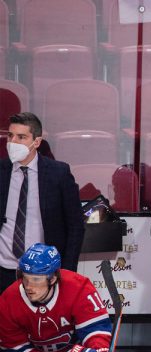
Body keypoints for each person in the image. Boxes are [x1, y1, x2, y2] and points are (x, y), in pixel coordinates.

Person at [0, 243, 125, 352]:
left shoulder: (78, 288)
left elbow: (95, 330)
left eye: (36, 279)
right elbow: (16, 350)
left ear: (53, 278)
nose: (28, 286)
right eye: (25, 278)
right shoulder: (8, 300)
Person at [0, 112, 84, 292]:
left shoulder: (58, 173)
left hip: (44, 272)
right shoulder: (1, 171)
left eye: (21, 137)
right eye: (10, 135)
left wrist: (67, 272)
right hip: (3, 269)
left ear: (36, 142)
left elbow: (76, 226)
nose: (13, 142)